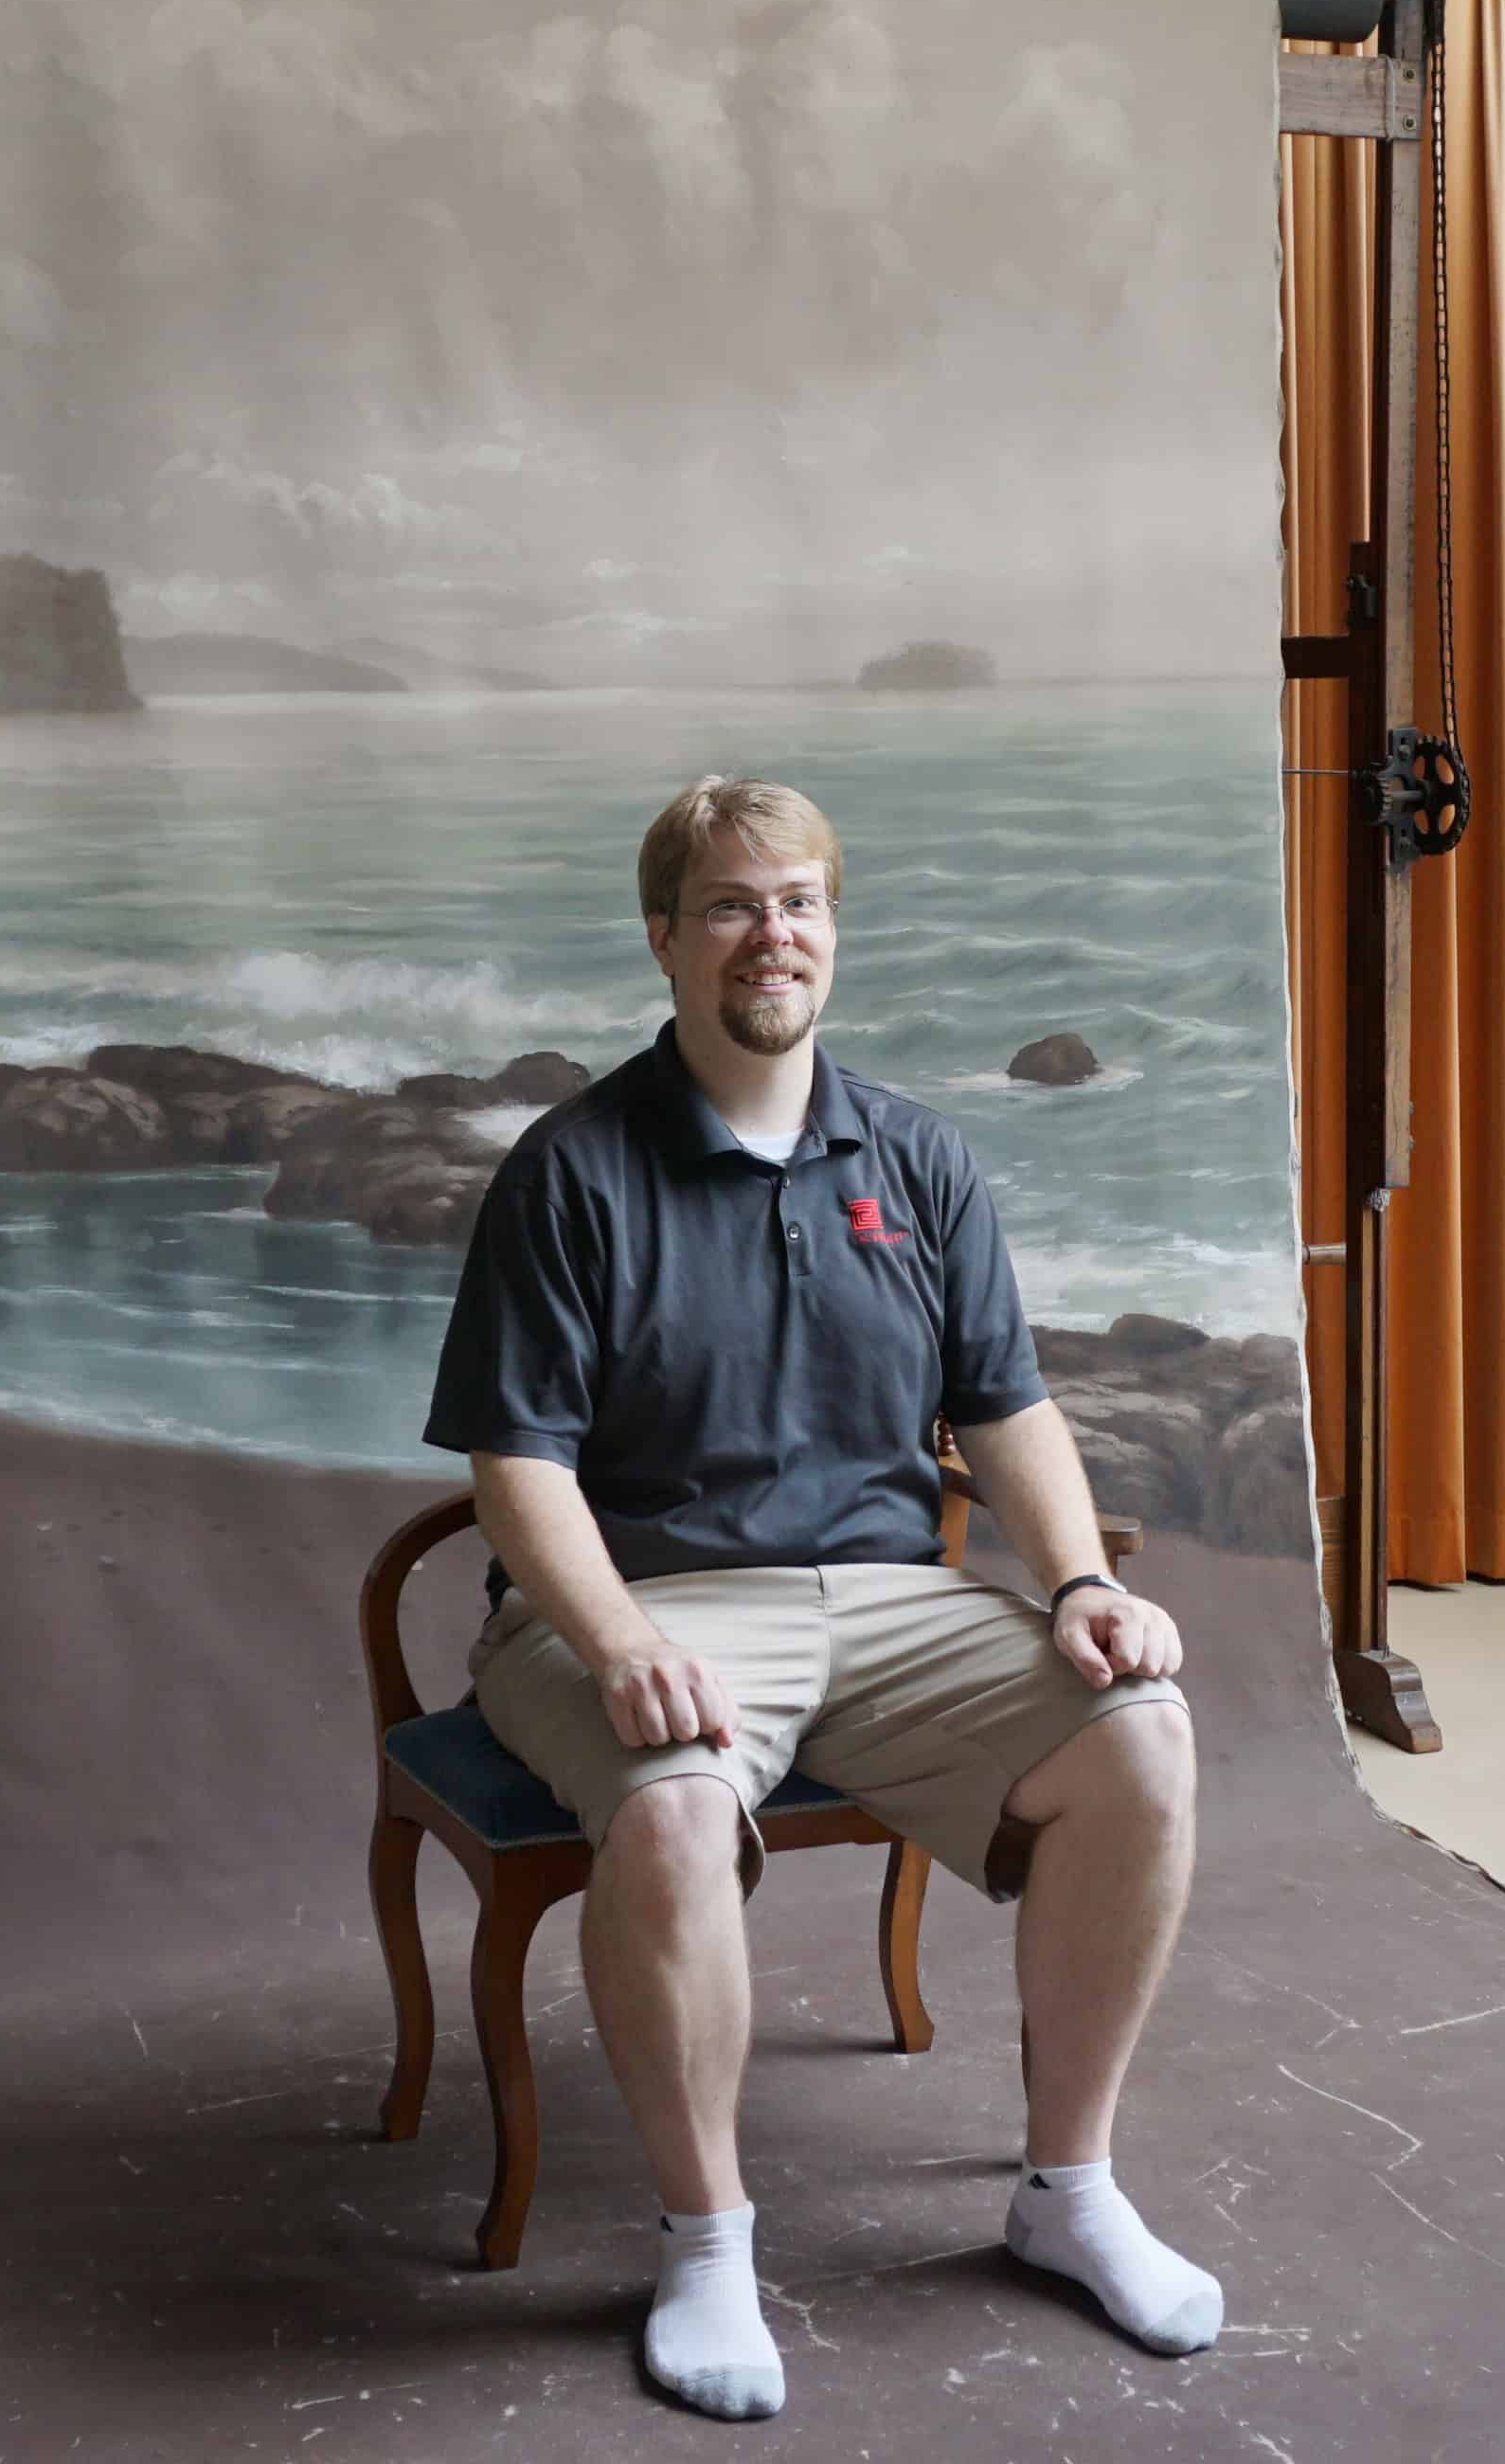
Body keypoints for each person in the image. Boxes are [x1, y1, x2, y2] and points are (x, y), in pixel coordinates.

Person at [428, 774, 1218, 2423]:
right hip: (641, 1600)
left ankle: (1068, 2193)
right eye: (729, 905)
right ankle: (707, 2244)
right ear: (664, 937)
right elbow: (519, 1467)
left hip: (886, 1599)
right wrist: (622, 1640)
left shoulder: (918, 1156)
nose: (768, 935)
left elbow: (1004, 1406)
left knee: (1142, 1737)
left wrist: (1076, 1579)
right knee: (667, 1805)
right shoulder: (571, 1172)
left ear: (833, 932)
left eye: (797, 903)